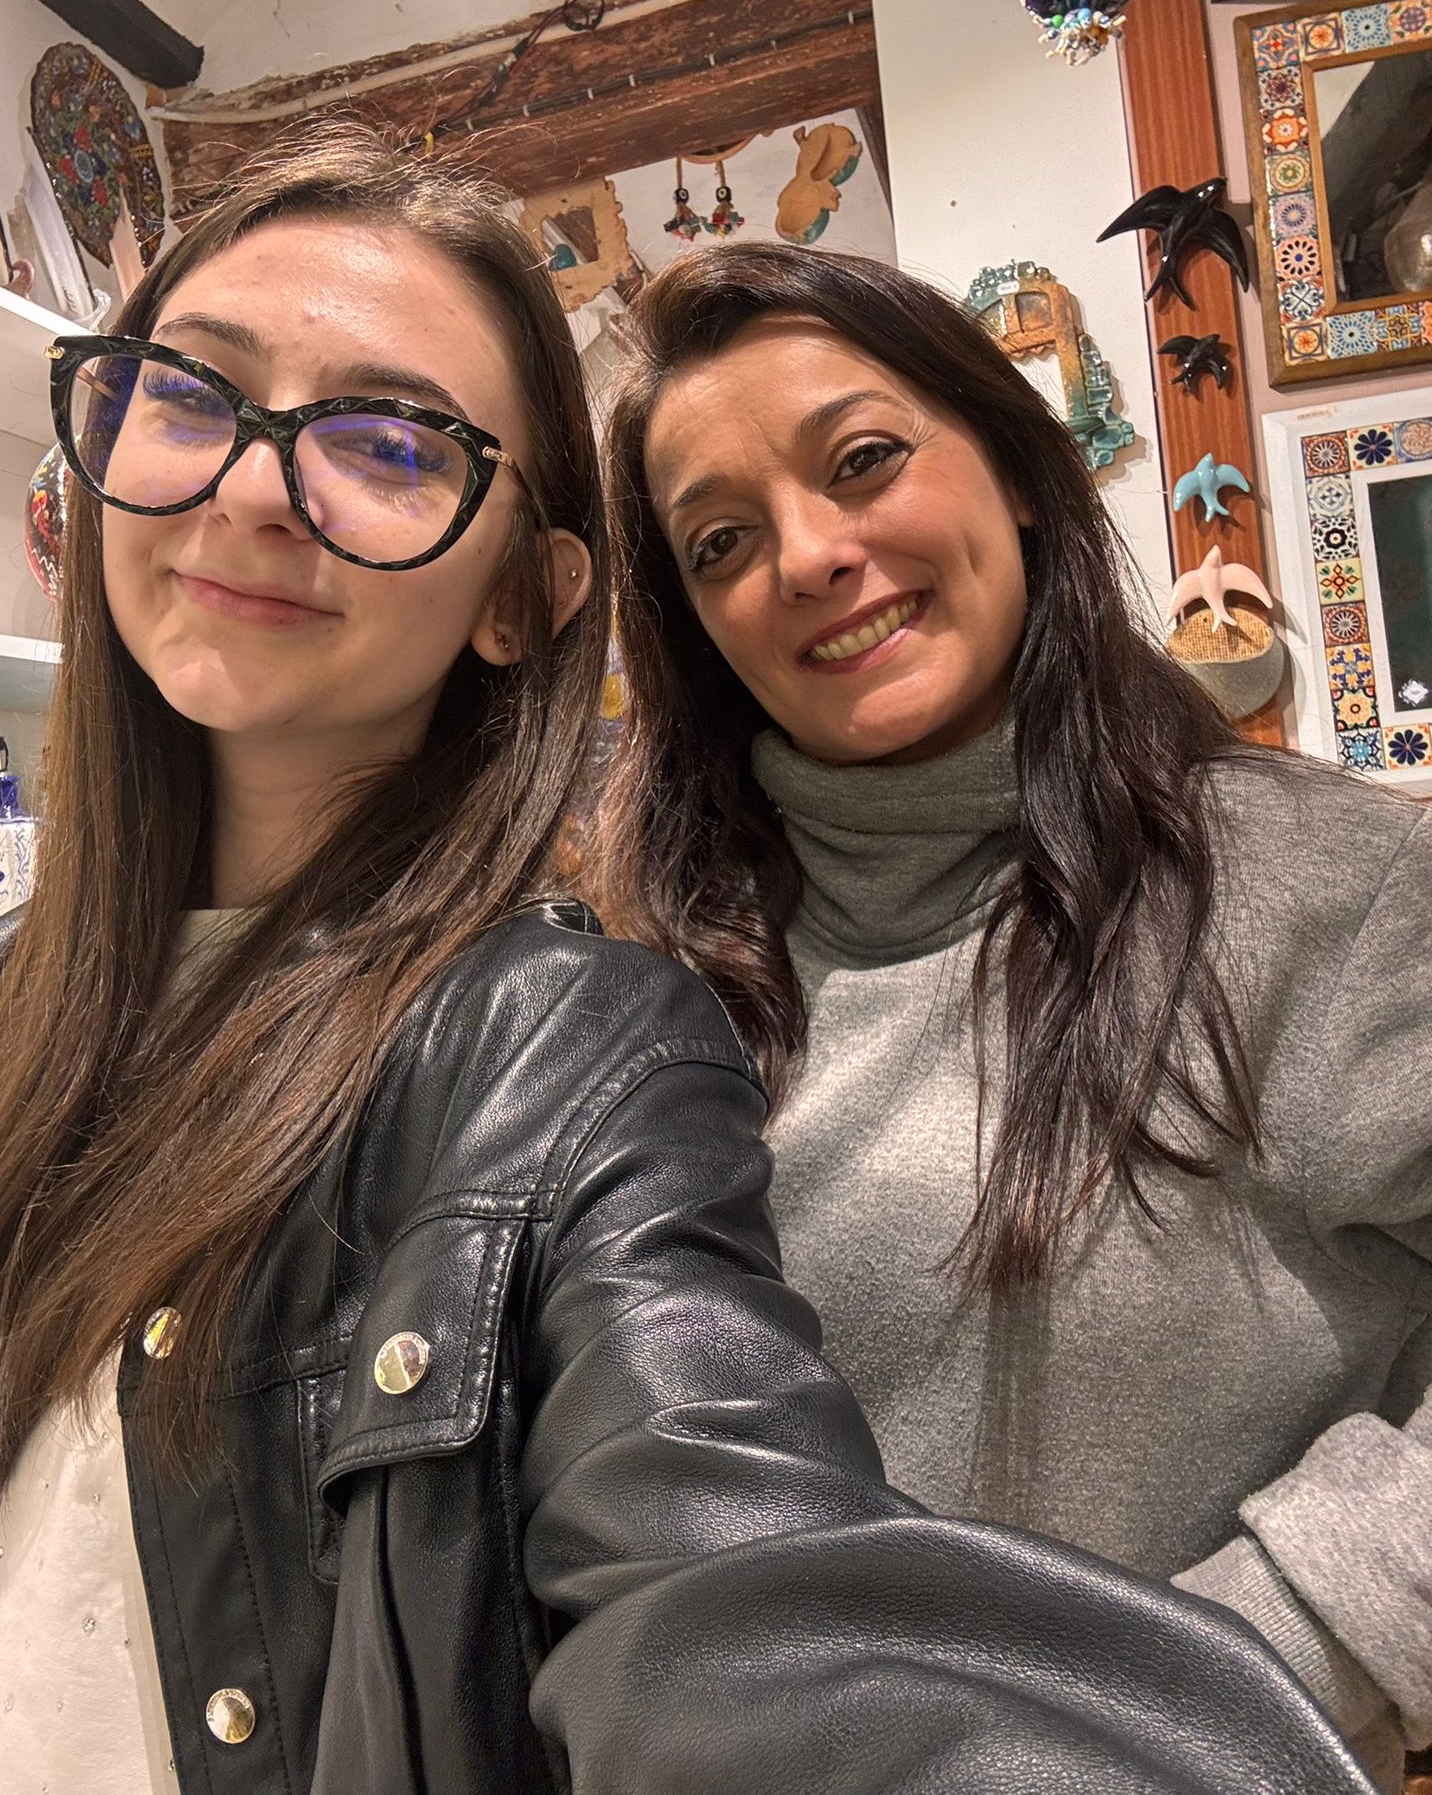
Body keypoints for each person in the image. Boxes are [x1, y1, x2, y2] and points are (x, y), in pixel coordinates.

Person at [0, 127, 1374, 1795]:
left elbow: (725, 1595)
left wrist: (1278, 1644)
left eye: (387, 441)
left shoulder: (570, 1045)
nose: (250, 486)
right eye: (190, 394)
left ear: (524, 600)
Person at [597, 239, 1431, 1794]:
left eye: (863, 461)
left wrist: (1231, 1669)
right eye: (719, 542)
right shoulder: (657, 987)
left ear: (1018, 469)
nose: (808, 555)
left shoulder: (1330, 889)